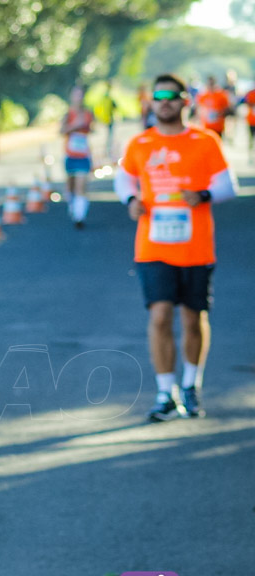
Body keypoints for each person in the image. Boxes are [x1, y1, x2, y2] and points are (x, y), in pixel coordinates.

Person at [114, 74, 237, 422]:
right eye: (158, 96)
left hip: (196, 247)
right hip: (152, 246)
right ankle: (164, 392)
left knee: (193, 318)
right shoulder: (140, 143)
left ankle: (190, 385)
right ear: (151, 103)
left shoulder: (205, 141)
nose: (163, 101)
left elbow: (228, 185)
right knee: (160, 315)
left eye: (170, 95)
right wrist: (131, 199)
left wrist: (203, 196)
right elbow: (124, 177)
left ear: (186, 101)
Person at [60, 85, 95, 229]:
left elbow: (92, 129)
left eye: (80, 95)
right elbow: (61, 131)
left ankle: (79, 216)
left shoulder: (88, 113)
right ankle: (73, 205)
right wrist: (74, 126)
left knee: (81, 185)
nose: (78, 98)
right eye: (76, 95)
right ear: (71, 97)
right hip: (70, 155)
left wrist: (86, 128)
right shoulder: (68, 114)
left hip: (83, 155)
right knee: (70, 186)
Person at [242, 85, 255, 163]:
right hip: (252, 120)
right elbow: (246, 102)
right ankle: (250, 156)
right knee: (251, 139)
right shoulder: (250, 93)